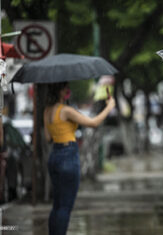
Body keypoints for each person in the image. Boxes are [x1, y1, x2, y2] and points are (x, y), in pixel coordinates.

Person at [43, 82, 115, 235]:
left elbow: (48, 138)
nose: (68, 90)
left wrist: (61, 128)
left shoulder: (47, 111)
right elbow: (93, 123)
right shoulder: (66, 111)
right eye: (65, 88)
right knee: (65, 206)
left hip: (54, 155)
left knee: (57, 205)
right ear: (61, 92)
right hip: (68, 155)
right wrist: (109, 107)